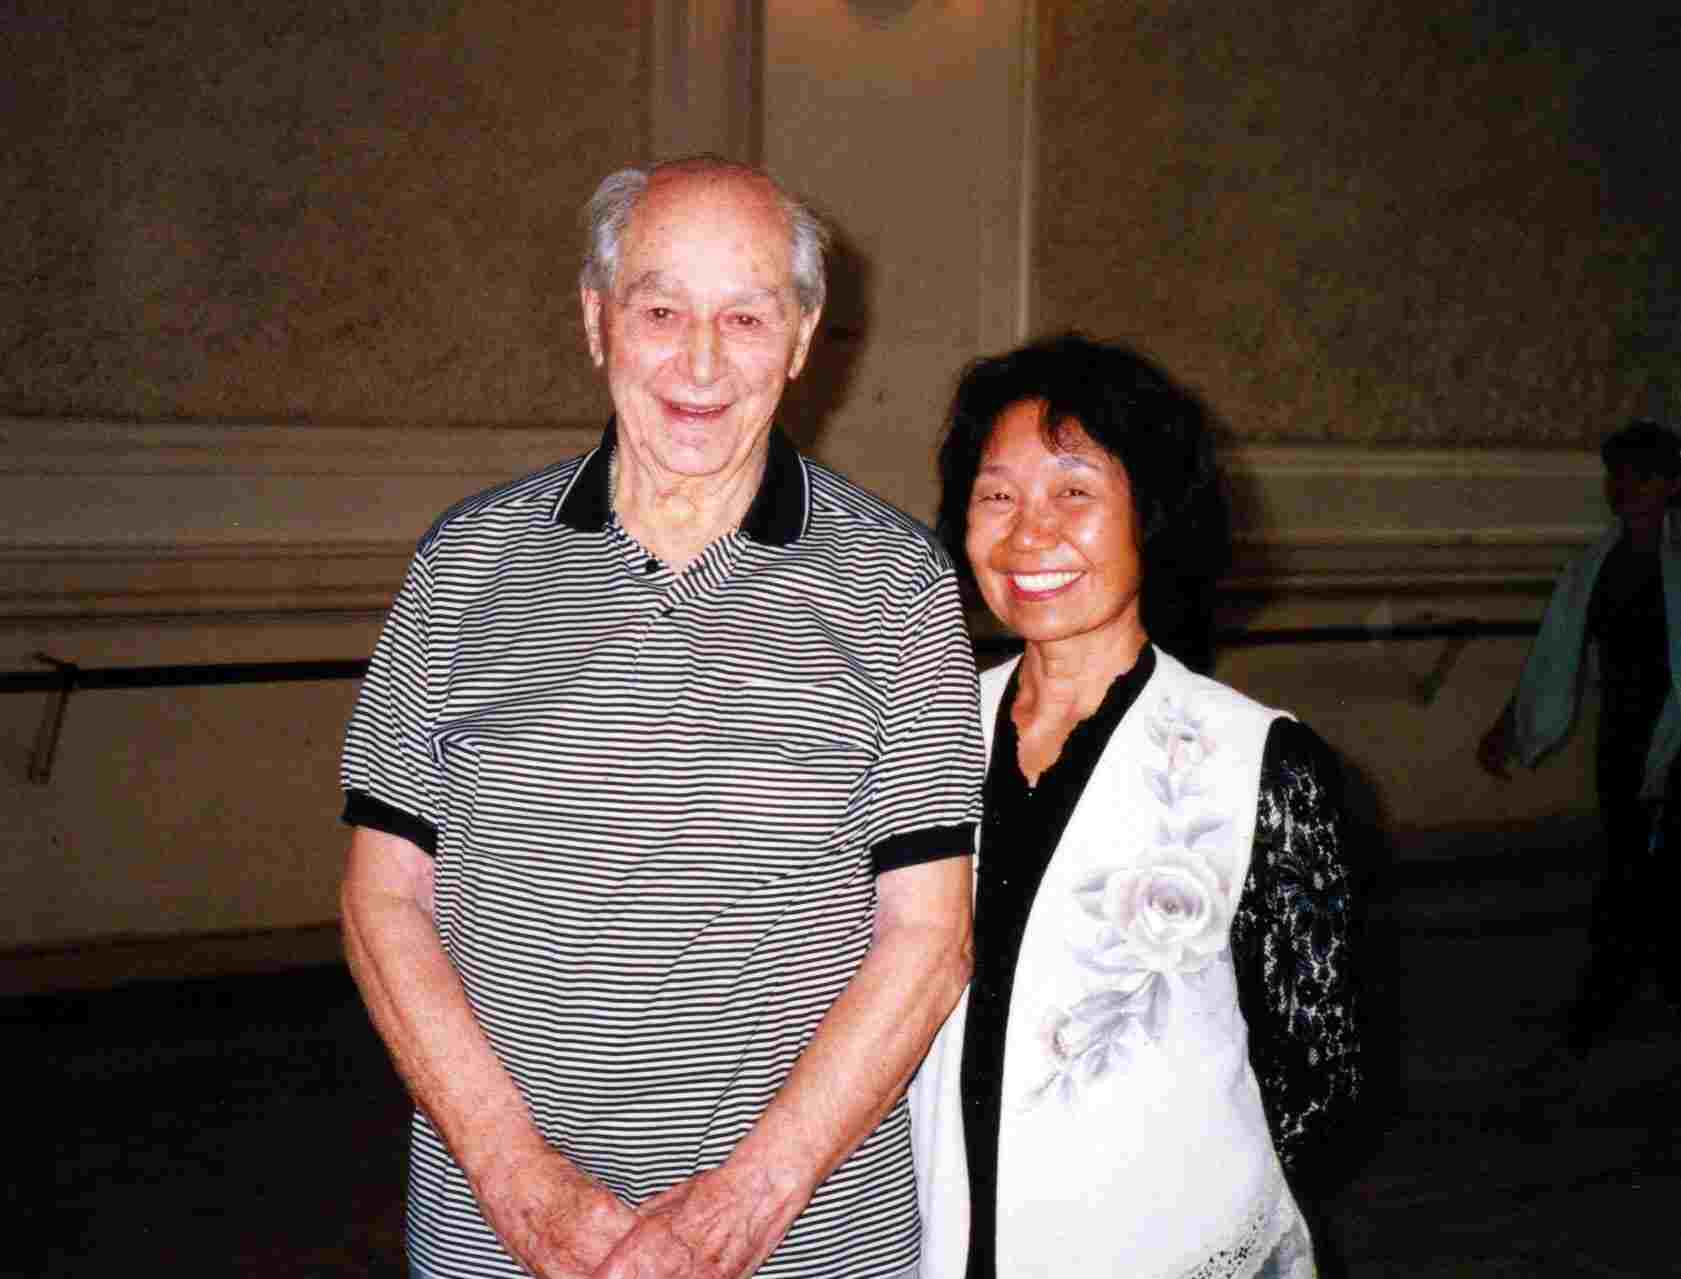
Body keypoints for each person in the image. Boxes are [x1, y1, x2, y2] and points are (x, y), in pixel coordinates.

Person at [338, 155, 985, 1279]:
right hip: (501, 1239)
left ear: (801, 338)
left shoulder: (899, 587)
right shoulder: (465, 565)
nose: (700, 361)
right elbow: (383, 898)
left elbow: (928, 939)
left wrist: (742, 1208)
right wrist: (524, 1189)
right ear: (596, 320)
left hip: (801, 1245)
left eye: (745, 316)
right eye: (659, 310)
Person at [910, 333, 1362, 1279]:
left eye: (1073, 492)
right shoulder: (929, 726)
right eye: (997, 496)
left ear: (1150, 515)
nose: (1027, 535)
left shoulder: (1257, 762)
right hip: (945, 1235)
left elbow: (1318, 1088)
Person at [1477, 418, 1681, 1063]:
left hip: (1677, 737)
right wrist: (1511, 725)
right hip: (1624, 736)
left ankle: (1624, 987)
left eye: (1640, 475)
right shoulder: (1598, 567)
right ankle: (1614, 988)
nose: (1623, 488)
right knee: (1627, 861)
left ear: (1670, 484)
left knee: (1652, 868)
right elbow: (1556, 654)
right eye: (1616, 475)